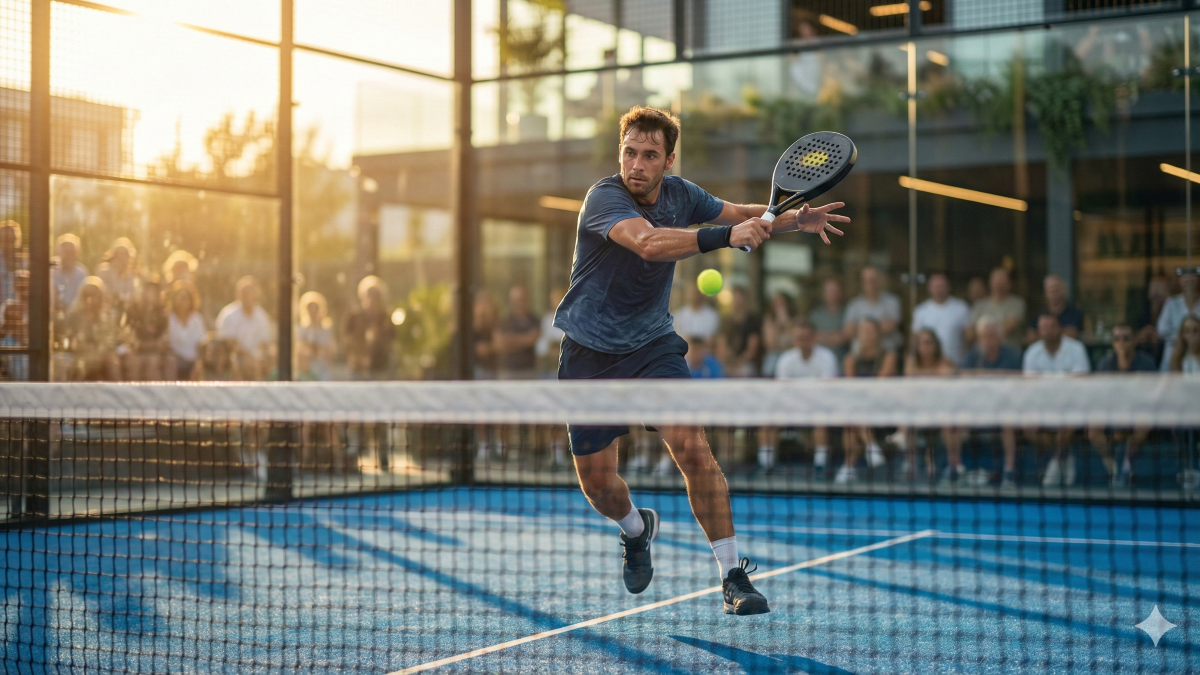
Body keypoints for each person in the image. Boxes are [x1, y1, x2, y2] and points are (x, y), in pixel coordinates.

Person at [552, 105, 849, 613]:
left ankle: (733, 576)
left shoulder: (682, 194)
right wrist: (723, 239)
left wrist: (791, 220)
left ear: (669, 160)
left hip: (651, 345)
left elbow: (737, 215)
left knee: (691, 445)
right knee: (598, 484)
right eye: (630, 152)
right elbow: (647, 244)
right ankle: (636, 529)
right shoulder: (604, 198)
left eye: (650, 155)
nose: (637, 164)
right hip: (589, 352)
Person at [759, 319, 838, 475]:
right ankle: (765, 464)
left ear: (815, 338)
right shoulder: (785, 360)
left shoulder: (827, 358)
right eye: (799, 338)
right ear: (794, 340)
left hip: (819, 406)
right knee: (767, 417)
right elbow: (782, 391)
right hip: (791, 407)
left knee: (820, 416)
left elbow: (827, 391)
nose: (803, 341)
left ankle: (820, 465)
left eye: (807, 337)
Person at [1023, 312, 1091, 486]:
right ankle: (1064, 455)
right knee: (1027, 426)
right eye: (1043, 328)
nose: (1048, 331)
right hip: (1043, 406)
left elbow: (1081, 384)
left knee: (1068, 416)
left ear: (1060, 328)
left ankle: (1055, 461)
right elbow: (1030, 389)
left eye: (1052, 327)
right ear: (1038, 331)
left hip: (1072, 404)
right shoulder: (1032, 352)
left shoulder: (1076, 349)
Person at [1089, 323, 1156, 486]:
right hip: (1112, 411)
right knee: (1093, 430)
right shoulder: (1105, 364)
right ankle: (1112, 467)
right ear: (1113, 343)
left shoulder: (1146, 363)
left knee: (1144, 423)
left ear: (1134, 341)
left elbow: (1151, 397)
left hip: (1138, 411)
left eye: (1126, 338)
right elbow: (1100, 396)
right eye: (1117, 338)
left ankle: (1127, 466)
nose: (1121, 342)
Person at [961, 316, 1022, 486]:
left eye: (991, 335)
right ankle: (955, 468)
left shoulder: (1012, 354)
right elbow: (965, 381)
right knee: (953, 420)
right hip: (977, 406)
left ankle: (1009, 470)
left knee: (1007, 420)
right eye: (983, 336)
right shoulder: (973, 354)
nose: (987, 340)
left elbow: (1016, 383)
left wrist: (981, 376)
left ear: (999, 336)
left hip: (1006, 406)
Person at [837, 318, 896, 483]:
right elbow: (851, 385)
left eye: (871, 330)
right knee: (851, 417)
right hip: (858, 406)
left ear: (878, 334)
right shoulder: (850, 358)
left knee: (851, 414)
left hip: (883, 405)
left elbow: (881, 384)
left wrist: (862, 394)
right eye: (863, 330)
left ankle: (848, 466)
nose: (867, 334)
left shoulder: (888, 355)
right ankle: (870, 448)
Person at [901, 329, 962, 482]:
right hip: (918, 410)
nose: (925, 346)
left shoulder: (945, 360)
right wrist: (935, 373)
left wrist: (922, 373)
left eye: (929, 342)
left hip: (942, 410)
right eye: (921, 342)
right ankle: (910, 462)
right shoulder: (911, 361)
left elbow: (948, 374)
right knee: (906, 413)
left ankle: (954, 465)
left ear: (936, 345)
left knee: (950, 422)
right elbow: (910, 375)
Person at [62, 277, 121, 381]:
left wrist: (100, 351)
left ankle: (118, 393)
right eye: (87, 295)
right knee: (81, 364)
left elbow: (109, 341)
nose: (91, 299)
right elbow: (71, 341)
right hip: (80, 355)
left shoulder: (105, 317)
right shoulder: (73, 316)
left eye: (95, 295)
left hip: (101, 355)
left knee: (112, 361)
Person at [216, 276, 274, 380]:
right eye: (244, 292)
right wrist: (249, 357)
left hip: (256, 359)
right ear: (237, 294)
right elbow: (229, 344)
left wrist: (259, 357)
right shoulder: (228, 314)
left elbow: (264, 343)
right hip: (235, 358)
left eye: (250, 292)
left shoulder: (262, 316)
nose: (247, 296)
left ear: (257, 294)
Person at [911, 273, 971, 366]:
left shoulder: (961, 308)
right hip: (929, 367)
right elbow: (915, 339)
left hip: (956, 363)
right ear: (929, 288)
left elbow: (969, 339)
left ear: (949, 287)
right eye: (936, 286)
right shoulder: (921, 311)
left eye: (942, 286)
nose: (939, 289)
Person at [341, 275, 394, 379]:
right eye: (369, 294)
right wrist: (353, 355)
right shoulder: (354, 316)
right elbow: (346, 337)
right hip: (358, 366)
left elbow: (390, 339)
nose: (372, 298)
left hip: (379, 366)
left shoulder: (385, 317)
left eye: (375, 294)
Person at [843, 266, 903, 353]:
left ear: (880, 280)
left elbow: (890, 326)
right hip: (861, 353)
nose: (870, 284)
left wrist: (862, 330)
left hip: (887, 350)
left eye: (873, 280)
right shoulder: (854, 305)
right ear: (862, 283)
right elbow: (849, 331)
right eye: (866, 281)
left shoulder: (892, 301)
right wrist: (879, 327)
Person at [121, 278, 169, 380]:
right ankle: (132, 393)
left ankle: (152, 394)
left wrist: (152, 346)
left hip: (154, 351)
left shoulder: (162, 313)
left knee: (153, 361)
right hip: (136, 351)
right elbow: (128, 334)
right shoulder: (133, 310)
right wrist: (139, 344)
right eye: (149, 290)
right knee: (134, 362)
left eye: (155, 291)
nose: (151, 294)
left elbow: (164, 338)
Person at [967, 267, 1026, 348]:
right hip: (983, 355)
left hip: (1008, 354)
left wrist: (983, 334)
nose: (998, 283)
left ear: (1009, 283)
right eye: (996, 280)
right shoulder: (979, 305)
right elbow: (970, 333)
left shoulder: (1017, 303)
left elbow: (1009, 327)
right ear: (990, 282)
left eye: (1002, 280)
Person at [495, 284, 541, 379]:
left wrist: (510, 340)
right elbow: (499, 344)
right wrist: (523, 339)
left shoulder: (534, 320)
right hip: (508, 371)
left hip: (529, 371)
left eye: (521, 299)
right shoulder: (505, 321)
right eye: (516, 300)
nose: (519, 303)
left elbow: (532, 339)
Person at [1158, 270, 1199, 371]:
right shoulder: (1171, 303)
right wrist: (1181, 339)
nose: (1188, 282)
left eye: (1192, 278)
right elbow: (1162, 330)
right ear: (1180, 281)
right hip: (1174, 350)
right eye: (1185, 279)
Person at [1025, 274, 1083, 345]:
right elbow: (1030, 337)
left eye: (1056, 289)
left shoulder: (1075, 313)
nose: (1053, 293)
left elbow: (1073, 334)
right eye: (1050, 290)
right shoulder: (1038, 314)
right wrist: (1060, 332)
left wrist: (1043, 333)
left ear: (1064, 290)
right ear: (1045, 293)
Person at [166, 280, 206, 380]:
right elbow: (167, 344)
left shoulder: (197, 319)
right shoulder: (168, 318)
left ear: (191, 300)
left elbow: (202, 343)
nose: (181, 301)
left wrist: (199, 360)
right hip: (175, 358)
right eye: (178, 297)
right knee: (170, 361)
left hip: (195, 359)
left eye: (185, 298)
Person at [720, 287, 760, 377]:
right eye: (735, 299)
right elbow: (722, 345)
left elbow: (752, 349)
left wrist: (739, 362)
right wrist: (729, 359)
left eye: (740, 299)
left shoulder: (752, 322)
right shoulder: (726, 322)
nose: (737, 303)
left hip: (745, 363)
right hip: (728, 362)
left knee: (747, 370)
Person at [296, 291, 336, 381]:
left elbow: (332, 349)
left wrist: (318, 349)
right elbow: (301, 349)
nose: (313, 311)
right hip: (307, 370)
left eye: (315, 308)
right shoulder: (302, 329)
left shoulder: (327, 329)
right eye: (310, 308)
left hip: (324, 369)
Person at [96, 238, 140, 312]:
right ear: (113, 255)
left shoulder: (131, 275)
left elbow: (133, 295)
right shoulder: (104, 271)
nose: (122, 258)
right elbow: (104, 294)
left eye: (125, 255)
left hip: (124, 311)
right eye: (118, 254)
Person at [809, 277, 848, 359]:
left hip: (841, 359)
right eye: (829, 291)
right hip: (819, 359)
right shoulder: (816, 314)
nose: (832, 294)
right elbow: (811, 336)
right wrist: (834, 337)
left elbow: (844, 338)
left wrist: (822, 336)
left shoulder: (847, 312)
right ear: (824, 293)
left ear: (840, 292)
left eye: (834, 291)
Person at [759, 292, 795, 378]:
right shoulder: (768, 320)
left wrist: (787, 324)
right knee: (771, 361)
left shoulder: (795, 320)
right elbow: (770, 345)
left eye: (782, 304)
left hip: (790, 354)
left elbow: (795, 343)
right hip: (774, 355)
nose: (780, 308)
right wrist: (778, 325)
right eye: (776, 304)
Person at [535, 285, 567, 377]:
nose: (556, 301)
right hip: (548, 368)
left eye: (559, 298)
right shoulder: (547, 319)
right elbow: (541, 345)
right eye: (554, 299)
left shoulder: (571, 320)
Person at [52, 233, 88, 310]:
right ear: (59, 252)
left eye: (71, 252)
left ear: (77, 254)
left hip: (74, 314)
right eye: (65, 251)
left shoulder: (81, 273)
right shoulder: (52, 271)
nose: (68, 255)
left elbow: (82, 299)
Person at [0, 221, 23, 304]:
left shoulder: (23, 261)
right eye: (5, 239)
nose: (9, 243)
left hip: (19, 309)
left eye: (12, 239)